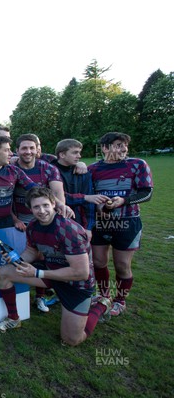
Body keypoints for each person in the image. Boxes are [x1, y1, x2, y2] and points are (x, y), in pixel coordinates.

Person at [0, 187, 111, 347]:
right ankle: (13, 319)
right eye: (36, 207)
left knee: (71, 340)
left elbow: (81, 273)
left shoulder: (69, 230)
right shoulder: (33, 226)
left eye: (45, 205)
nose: (42, 211)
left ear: (54, 204)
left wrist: (38, 272)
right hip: (50, 275)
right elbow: (32, 251)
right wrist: (17, 260)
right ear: (30, 209)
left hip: (76, 284)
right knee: (3, 272)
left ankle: (102, 304)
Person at [88, 132, 153, 317]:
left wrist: (122, 201)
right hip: (101, 223)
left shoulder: (138, 164)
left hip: (127, 222)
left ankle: (120, 300)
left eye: (125, 145)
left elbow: (146, 193)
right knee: (98, 261)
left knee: (122, 265)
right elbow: (89, 195)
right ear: (105, 148)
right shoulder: (93, 169)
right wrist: (99, 206)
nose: (123, 148)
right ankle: (103, 295)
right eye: (118, 145)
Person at [12, 134, 68, 313]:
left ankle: (41, 296)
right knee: (21, 257)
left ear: (38, 149)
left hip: (45, 219)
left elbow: (58, 196)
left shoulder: (48, 168)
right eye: (24, 148)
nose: (28, 152)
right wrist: (15, 219)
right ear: (17, 150)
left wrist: (57, 214)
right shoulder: (11, 168)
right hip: (19, 221)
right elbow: (7, 197)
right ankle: (18, 295)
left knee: (44, 257)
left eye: (31, 148)